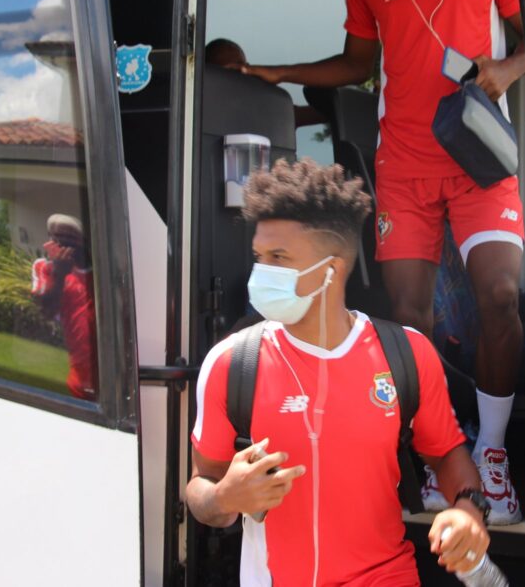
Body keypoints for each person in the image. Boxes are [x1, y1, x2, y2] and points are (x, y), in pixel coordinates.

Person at [242, 0, 525, 524]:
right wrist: (279, 70)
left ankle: (492, 451)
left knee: (502, 295)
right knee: (408, 318)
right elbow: (357, 65)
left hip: (478, 157)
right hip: (403, 166)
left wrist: (506, 68)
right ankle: (440, 454)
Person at [187, 158, 492, 586]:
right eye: (259, 256)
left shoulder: (406, 353)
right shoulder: (232, 363)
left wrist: (469, 510)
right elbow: (201, 484)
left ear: (331, 270)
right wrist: (224, 497)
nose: (261, 273)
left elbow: (446, 454)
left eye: (278, 257)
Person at [31, 214, 97, 400]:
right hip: (80, 379)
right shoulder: (45, 268)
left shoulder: (101, 272)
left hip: (110, 375)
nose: (60, 244)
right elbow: (45, 310)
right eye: (55, 238)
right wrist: (59, 274)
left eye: (69, 239)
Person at [205, 37, 327, 128]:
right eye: (229, 72)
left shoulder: (268, 110)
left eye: (243, 68)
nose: (240, 75)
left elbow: (325, 113)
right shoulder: (198, 112)